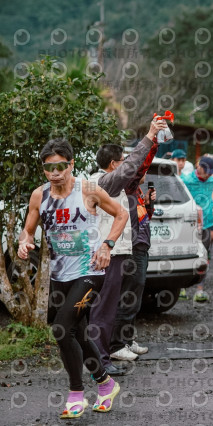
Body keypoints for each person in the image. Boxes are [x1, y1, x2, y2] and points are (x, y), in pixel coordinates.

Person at [19, 139, 129, 419]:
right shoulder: (39, 196)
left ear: (71, 165)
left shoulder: (88, 189)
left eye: (60, 166)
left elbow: (121, 214)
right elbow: (28, 230)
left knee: (60, 329)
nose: (54, 173)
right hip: (60, 276)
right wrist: (24, 242)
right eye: (48, 168)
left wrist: (107, 245)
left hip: (90, 271)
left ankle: (76, 393)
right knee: (76, 333)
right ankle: (106, 384)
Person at [88, 118, 164, 374]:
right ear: (113, 164)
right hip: (106, 254)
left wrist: (154, 141)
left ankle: (103, 358)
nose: (128, 168)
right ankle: (100, 359)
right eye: (122, 161)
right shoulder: (103, 182)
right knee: (104, 308)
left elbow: (137, 169)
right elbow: (133, 166)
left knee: (109, 307)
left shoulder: (116, 186)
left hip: (116, 253)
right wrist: (150, 135)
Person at [109, 155, 158, 362]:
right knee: (128, 298)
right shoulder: (128, 187)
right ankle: (116, 345)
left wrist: (148, 204)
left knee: (134, 299)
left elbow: (144, 219)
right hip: (133, 249)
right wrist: (153, 140)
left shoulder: (136, 192)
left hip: (141, 247)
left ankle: (127, 340)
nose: (144, 172)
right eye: (141, 169)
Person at [181, 156, 213, 302]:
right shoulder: (185, 180)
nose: (208, 175)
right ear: (199, 167)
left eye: (211, 172)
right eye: (206, 171)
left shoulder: (212, 181)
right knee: (185, 253)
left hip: (207, 223)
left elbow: (210, 197)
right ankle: (181, 288)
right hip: (189, 223)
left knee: (204, 255)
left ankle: (200, 290)